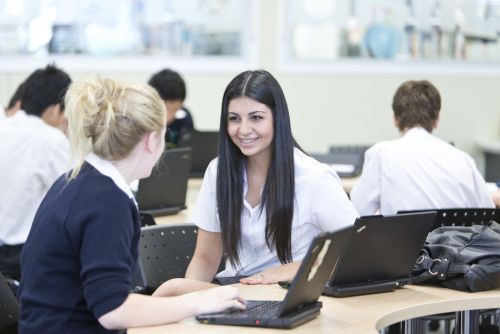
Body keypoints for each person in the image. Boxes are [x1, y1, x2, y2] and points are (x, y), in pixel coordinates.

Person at [18, 77, 245, 333]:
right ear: (150, 140)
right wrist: (198, 302)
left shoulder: (80, 180)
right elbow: (113, 310)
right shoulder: (107, 201)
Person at [169, 70, 357, 288]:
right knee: (172, 290)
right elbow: (206, 258)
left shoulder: (314, 178)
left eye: (256, 118)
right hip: (237, 291)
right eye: (234, 119)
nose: (244, 130)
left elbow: (354, 250)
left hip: (292, 292)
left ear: (278, 118)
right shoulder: (218, 171)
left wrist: (293, 268)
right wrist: (188, 303)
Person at [350, 80, 494, 215]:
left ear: (395, 118)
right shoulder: (463, 160)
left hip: (404, 241)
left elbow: (356, 213)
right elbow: (487, 213)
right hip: (457, 241)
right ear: (437, 119)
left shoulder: (381, 154)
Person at [0, 65, 71, 282]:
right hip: (23, 260)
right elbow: (74, 196)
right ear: (54, 109)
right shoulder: (49, 139)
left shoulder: (4, 126)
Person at [148, 69, 194, 145]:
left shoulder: (184, 118)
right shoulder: (142, 121)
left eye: (175, 110)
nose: (169, 116)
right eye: (164, 110)